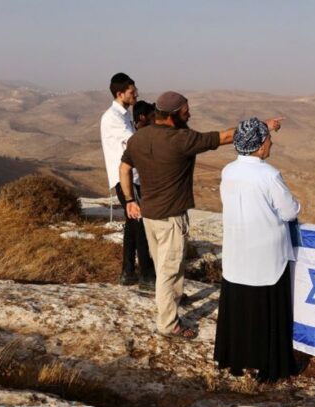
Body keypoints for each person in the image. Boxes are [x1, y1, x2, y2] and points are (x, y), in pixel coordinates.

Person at [119, 91, 282, 340]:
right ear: (173, 117)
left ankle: (172, 303)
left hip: (149, 216)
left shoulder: (139, 137)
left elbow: (124, 167)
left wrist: (130, 200)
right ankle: (168, 324)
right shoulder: (182, 139)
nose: (190, 114)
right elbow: (227, 136)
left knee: (167, 266)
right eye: (185, 111)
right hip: (171, 218)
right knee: (168, 271)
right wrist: (263, 126)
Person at [214, 118, 300, 382]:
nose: (271, 142)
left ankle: (236, 359)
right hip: (267, 254)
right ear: (260, 145)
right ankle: (269, 365)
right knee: (268, 310)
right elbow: (290, 210)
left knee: (240, 308)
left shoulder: (228, 170)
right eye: (268, 139)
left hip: (237, 250)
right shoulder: (269, 175)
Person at [99, 73, 155, 288]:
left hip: (133, 177)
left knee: (132, 225)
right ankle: (146, 276)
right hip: (126, 179)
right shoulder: (112, 117)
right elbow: (135, 143)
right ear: (120, 93)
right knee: (141, 224)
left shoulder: (123, 116)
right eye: (132, 91)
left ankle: (128, 272)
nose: (136, 94)